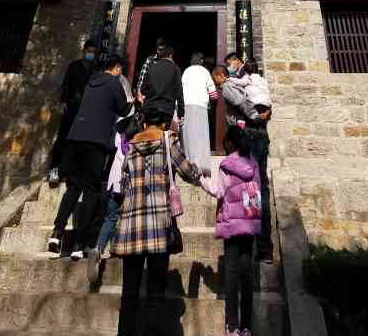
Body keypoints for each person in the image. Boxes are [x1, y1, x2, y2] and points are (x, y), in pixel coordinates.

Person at [111, 107, 201, 336]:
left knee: (129, 293)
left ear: (143, 124)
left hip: (131, 226)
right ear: (162, 124)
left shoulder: (131, 148)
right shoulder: (167, 143)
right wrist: (199, 172)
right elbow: (187, 172)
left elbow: (124, 184)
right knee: (155, 291)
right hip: (159, 226)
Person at [49, 54, 129, 260]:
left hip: (74, 138)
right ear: (117, 68)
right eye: (121, 69)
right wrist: (135, 101)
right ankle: (79, 243)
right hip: (96, 141)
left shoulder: (90, 81)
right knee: (91, 191)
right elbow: (122, 108)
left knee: (73, 188)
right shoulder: (114, 83)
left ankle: (57, 232)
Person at [200, 126, 261, 336]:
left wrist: (201, 180)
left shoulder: (226, 165)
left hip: (232, 224)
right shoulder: (253, 163)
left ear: (229, 143)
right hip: (250, 223)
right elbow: (258, 193)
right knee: (247, 275)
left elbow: (218, 191)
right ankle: (247, 327)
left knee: (232, 274)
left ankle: (232, 326)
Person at [212, 66, 273, 264]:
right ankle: (264, 250)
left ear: (221, 76)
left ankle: (247, 243)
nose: (215, 83)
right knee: (261, 188)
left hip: (250, 136)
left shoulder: (229, 87)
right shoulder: (254, 83)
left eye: (215, 78)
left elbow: (240, 102)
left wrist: (254, 116)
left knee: (249, 189)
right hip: (262, 135)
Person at [86, 108, 135, 281]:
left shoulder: (119, 138)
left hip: (114, 183)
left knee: (111, 217)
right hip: (131, 184)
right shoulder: (138, 143)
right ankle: (122, 248)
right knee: (129, 218)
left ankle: (99, 248)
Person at [48, 39, 99, 186]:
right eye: (89, 51)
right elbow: (66, 86)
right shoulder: (74, 67)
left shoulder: (95, 71)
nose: (91, 55)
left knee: (80, 143)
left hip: (87, 112)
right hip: (72, 108)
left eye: (93, 53)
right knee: (63, 138)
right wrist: (64, 102)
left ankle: (71, 172)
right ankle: (55, 169)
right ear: (84, 51)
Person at [181, 52, 218, 176]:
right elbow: (214, 94)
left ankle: (189, 166)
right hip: (201, 107)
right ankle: (202, 167)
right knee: (201, 136)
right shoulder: (205, 72)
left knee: (188, 136)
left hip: (186, 107)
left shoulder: (186, 71)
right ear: (201, 61)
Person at [139, 40, 185, 128]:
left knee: (149, 136)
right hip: (166, 111)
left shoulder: (152, 67)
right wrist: (180, 114)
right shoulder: (175, 69)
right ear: (171, 55)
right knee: (164, 138)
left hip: (149, 110)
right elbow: (179, 93)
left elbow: (142, 90)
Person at [133, 36, 167, 102]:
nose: (158, 51)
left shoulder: (167, 64)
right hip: (147, 96)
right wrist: (139, 94)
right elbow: (142, 78)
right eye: (158, 49)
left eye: (161, 50)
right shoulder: (150, 60)